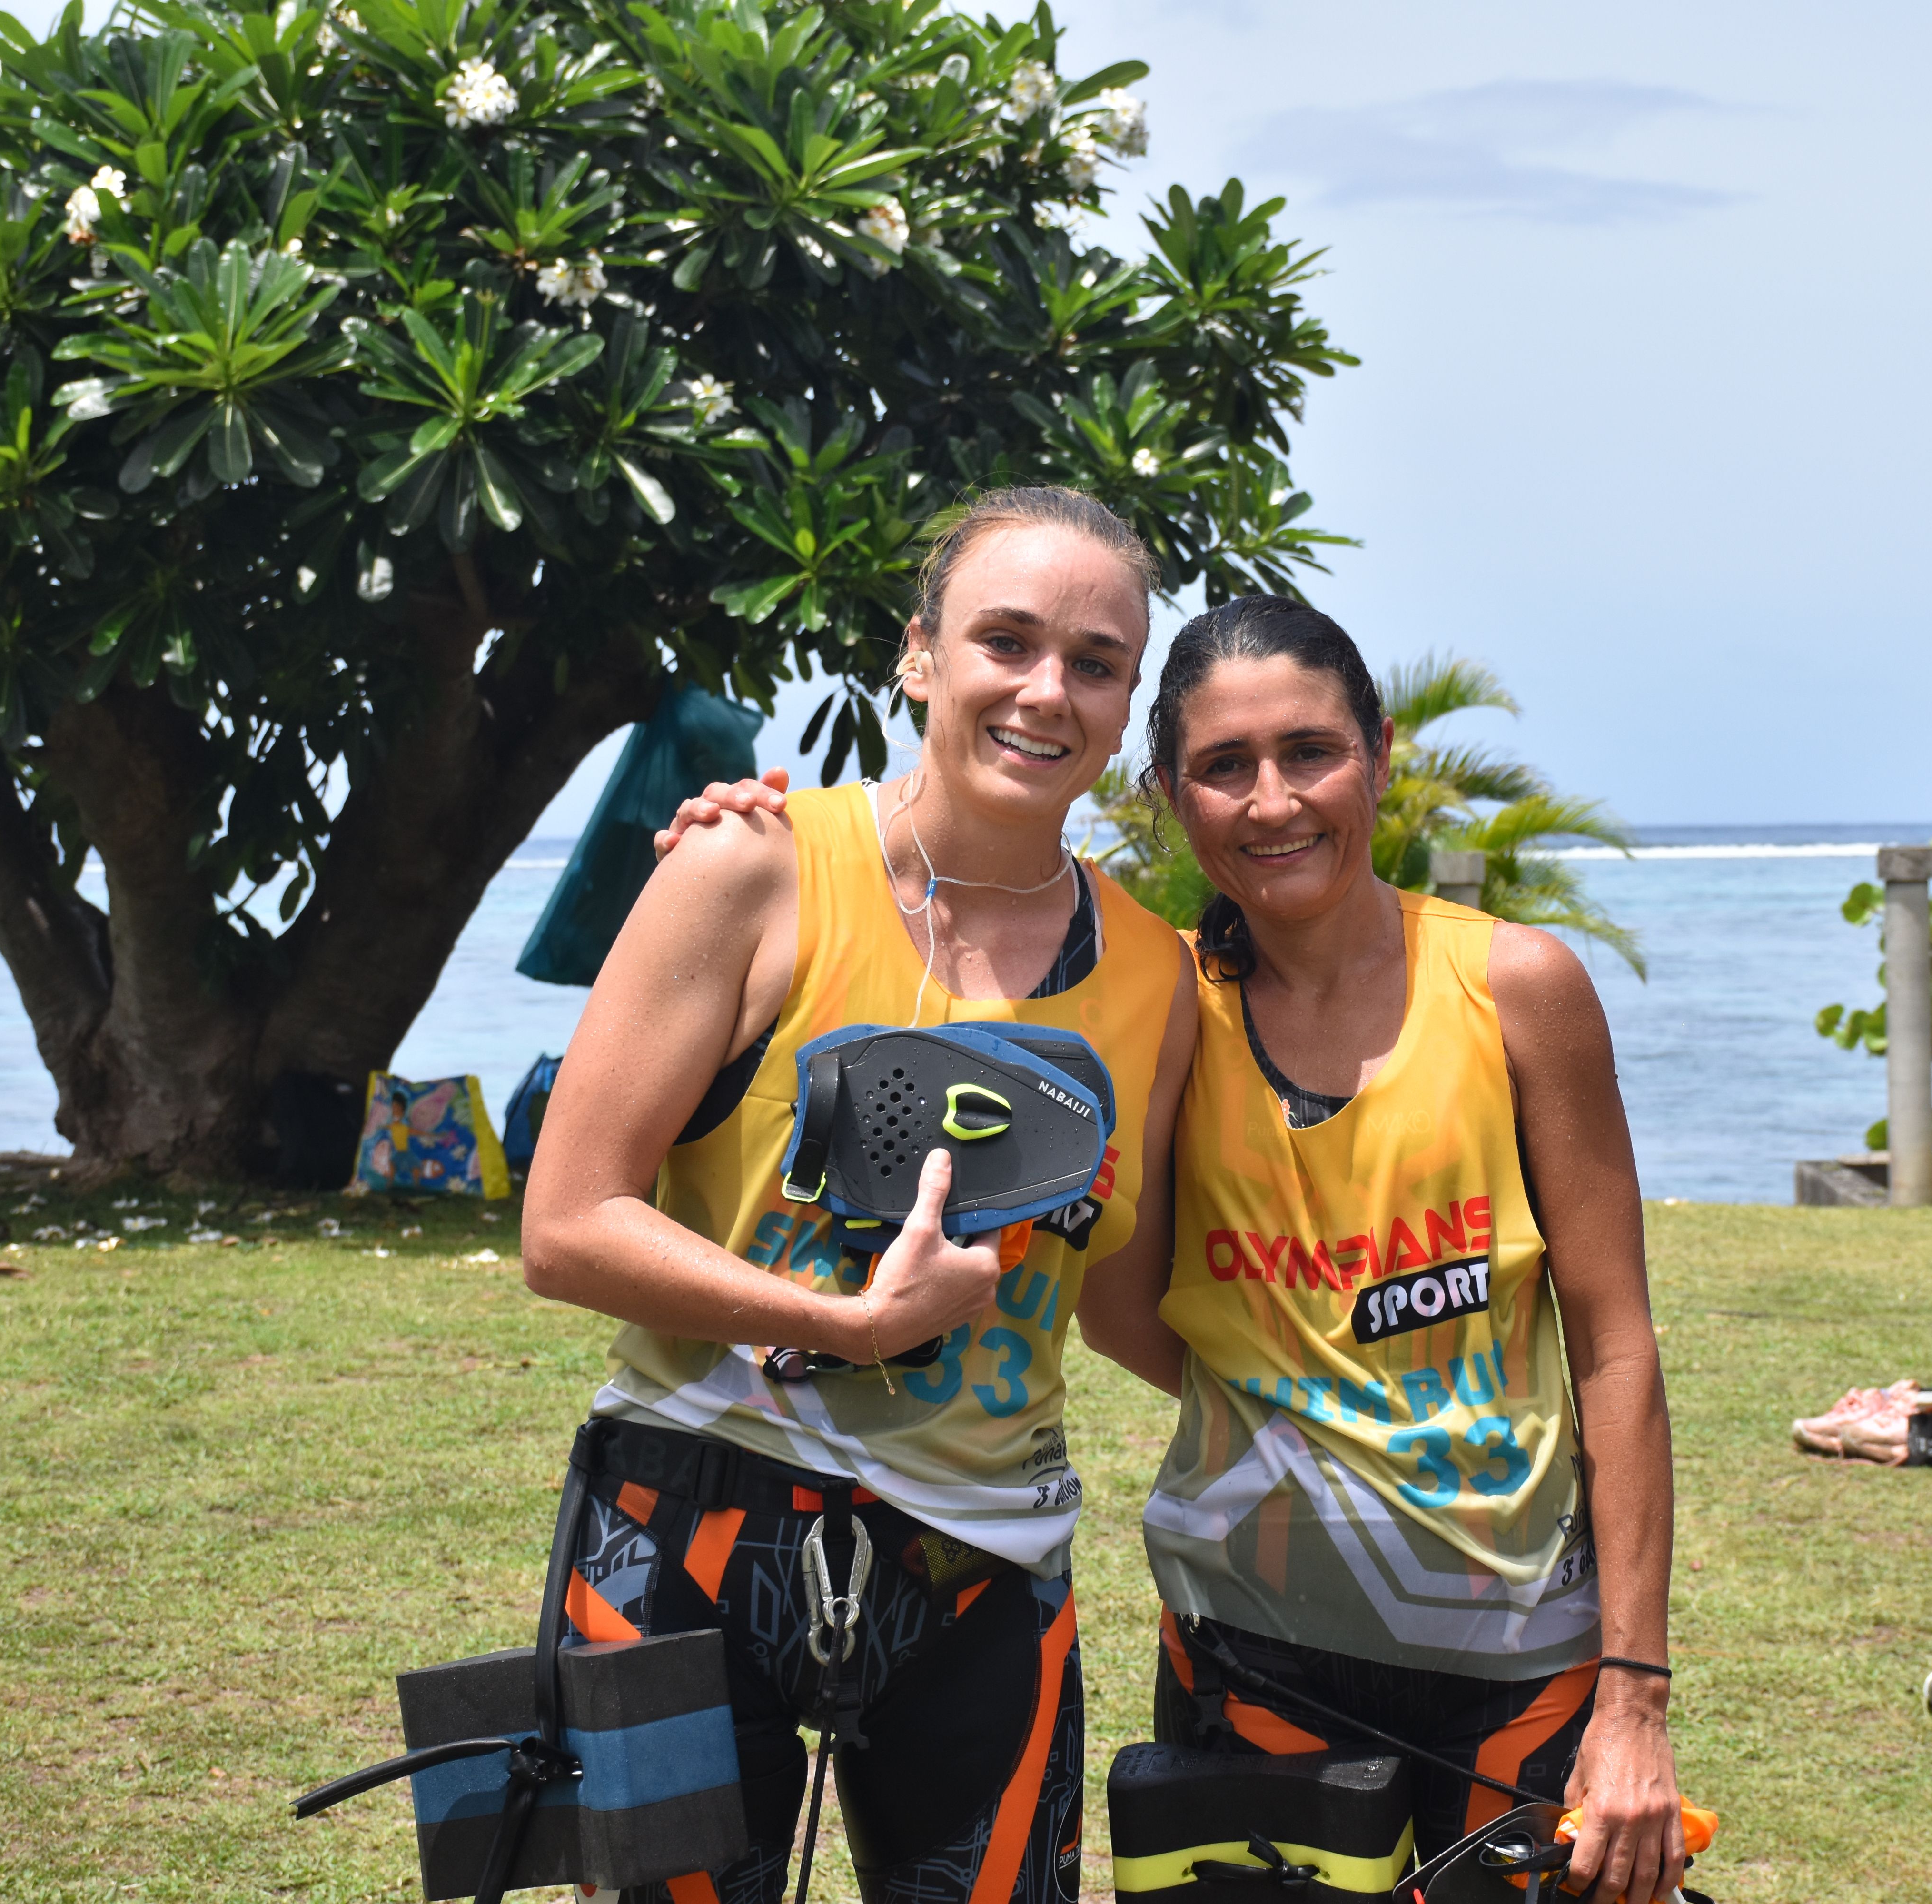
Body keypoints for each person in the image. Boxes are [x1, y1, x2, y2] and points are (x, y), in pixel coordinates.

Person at [662, 597, 1685, 1904]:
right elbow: (1118, 1306)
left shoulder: (1516, 988)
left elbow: (1615, 1342)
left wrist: (1637, 1693)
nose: (1273, 802)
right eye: (1222, 768)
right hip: (1250, 1649)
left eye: (1310, 751)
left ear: (1379, 752)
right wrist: (749, 837)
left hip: (1526, 1657)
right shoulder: (1162, 1006)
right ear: (1168, 796)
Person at [522, 485, 1198, 1904]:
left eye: (1094, 661)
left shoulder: (1158, 975)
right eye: (1003, 640)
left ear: (1128, 701)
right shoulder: (750, 867)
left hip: (985, 1560)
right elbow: (569, 1222)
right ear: (919, 655)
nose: (1044, 690)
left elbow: (1131, 1303)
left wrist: (1359, 1388)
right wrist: (841, 1324)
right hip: (691, 1522)